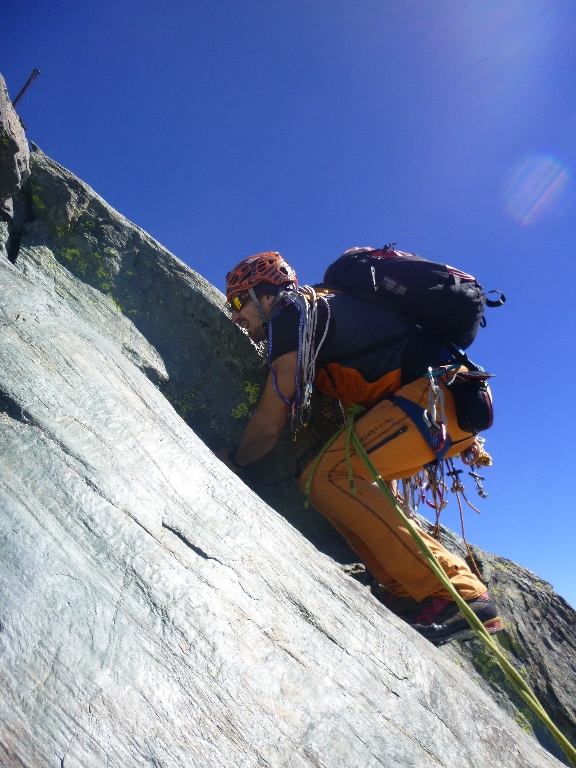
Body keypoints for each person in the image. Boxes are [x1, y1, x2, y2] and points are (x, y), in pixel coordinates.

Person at [217, 251, 503, 646]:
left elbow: (270, 422)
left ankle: (458, 594)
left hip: (432, 400)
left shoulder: (292, 312)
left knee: (328, 475)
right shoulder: (322, 312)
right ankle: (402, 588)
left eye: (237, 301)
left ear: (266, 295)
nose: (234, 315)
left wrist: (231, 461)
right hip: (442, 406)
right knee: (321, 476)